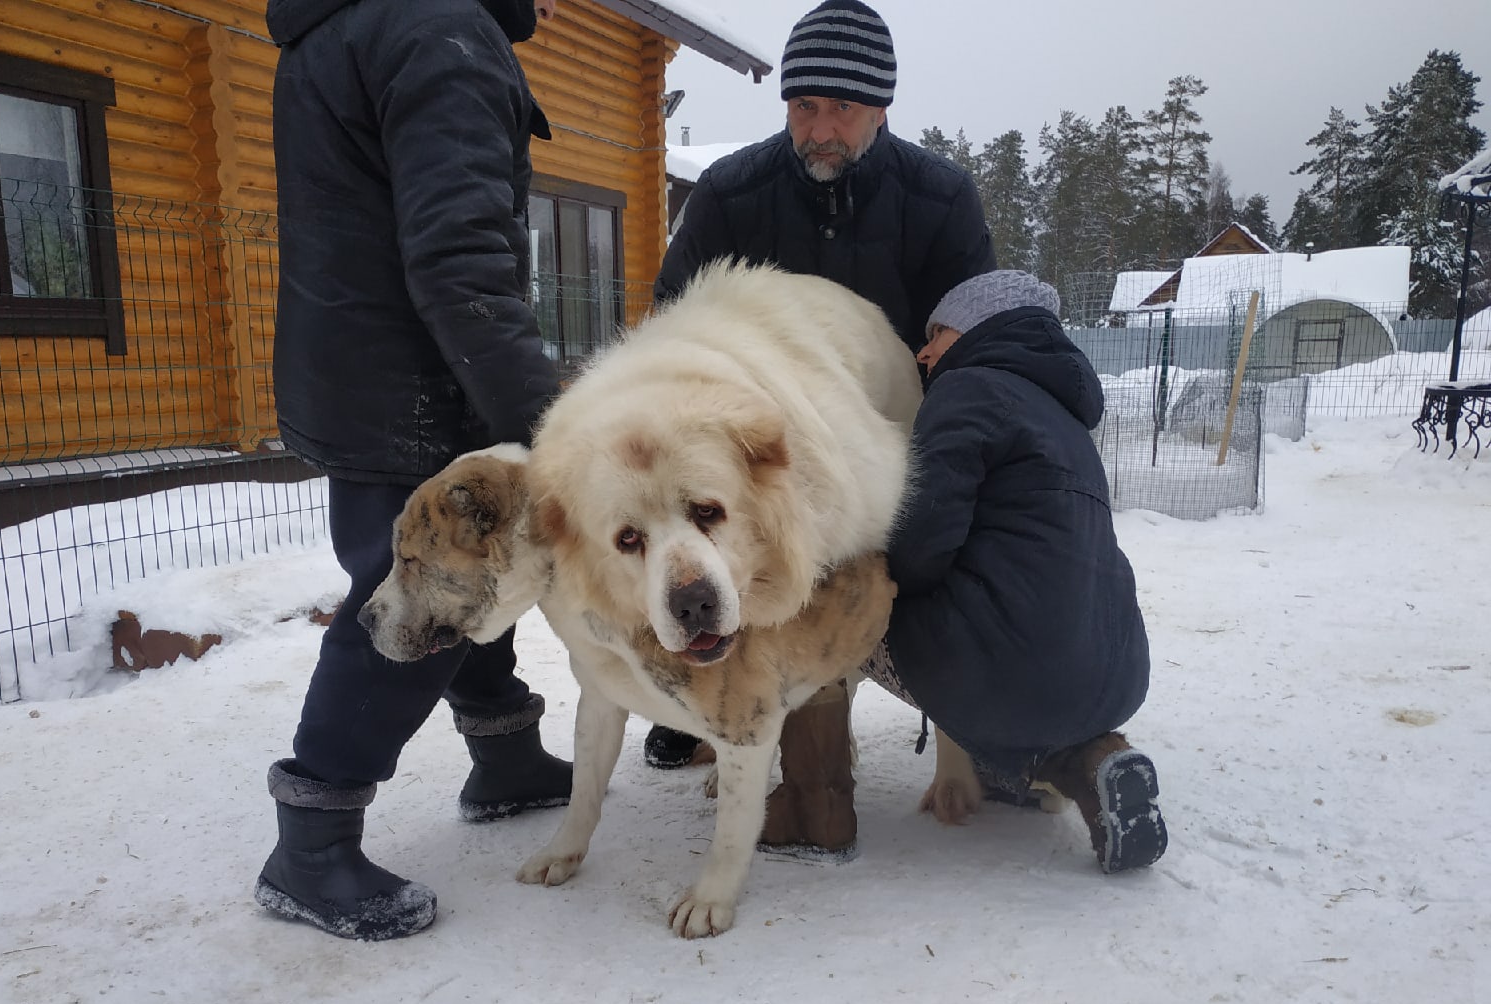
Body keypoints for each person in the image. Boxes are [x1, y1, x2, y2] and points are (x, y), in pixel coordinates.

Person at [644, 0, 997, 856]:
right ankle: (757, 741)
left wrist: (951, 440)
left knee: (930, 568)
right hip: (763, 444)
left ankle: (962, 740)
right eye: (804, 107)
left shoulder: (940, 198)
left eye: (843, 108)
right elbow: (672, 323)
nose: (821, 129)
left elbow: (968, 338)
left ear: (882, 107)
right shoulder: (732, 192)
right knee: (748, 573)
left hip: (900, 423)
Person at [255, 0, 572, 941]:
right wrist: (552, 428)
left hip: (362, 364)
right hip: (413, 379)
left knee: (474, 574)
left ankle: (506, 759)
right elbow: (460, 258)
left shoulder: (366, 22)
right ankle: (312, 842)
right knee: (414, 599)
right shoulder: (439, 29)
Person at [868, 269, 1168, 873]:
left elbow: (920, 544)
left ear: (979, 328)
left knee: (848, 608)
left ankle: (811, 792)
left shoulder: (967, 390)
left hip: (1015, 666)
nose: (923, 351)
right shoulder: (1065, 415)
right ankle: (1090, 763)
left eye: (938, 332)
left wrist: (873, 574)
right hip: (1113, 671)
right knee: (1031, 685)